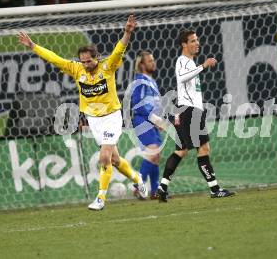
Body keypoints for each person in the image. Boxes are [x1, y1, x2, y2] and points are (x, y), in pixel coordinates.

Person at [17, 15, 147, 210]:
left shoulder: (108, 66)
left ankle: (100, 199)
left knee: (104, 157)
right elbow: (55, 58)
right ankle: (138, 179)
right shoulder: (77, 70)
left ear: (96, 57)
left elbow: (120, 49)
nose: (85, 64)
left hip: (111, 116)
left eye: (88, 61)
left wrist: (127, 32)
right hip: (94, 119)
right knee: (114, 160)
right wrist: (33, 46)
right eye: (83, 61)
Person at [156, 29, 235, 202]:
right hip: (190, 111)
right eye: (192, 41)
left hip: (185, 111)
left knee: (181, 151)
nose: (197, 43)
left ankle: (162, 187)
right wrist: (204, 65)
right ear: (184, 44)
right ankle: (214, 188)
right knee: (204, 149)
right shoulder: (183, 61)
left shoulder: (190, 62)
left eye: (197, 40)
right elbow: (182, 78)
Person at [130, 51, 162, 200]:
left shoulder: (151, 81)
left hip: (152, 120)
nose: (153, 63)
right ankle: (138, 185)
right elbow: (136, 104)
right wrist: (154, 118)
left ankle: (155, 191)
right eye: (149, 61)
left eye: (153, 60)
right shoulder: (140, 80)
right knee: (153, 151)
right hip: (142, 119)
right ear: (141, 65)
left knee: (156, 156)